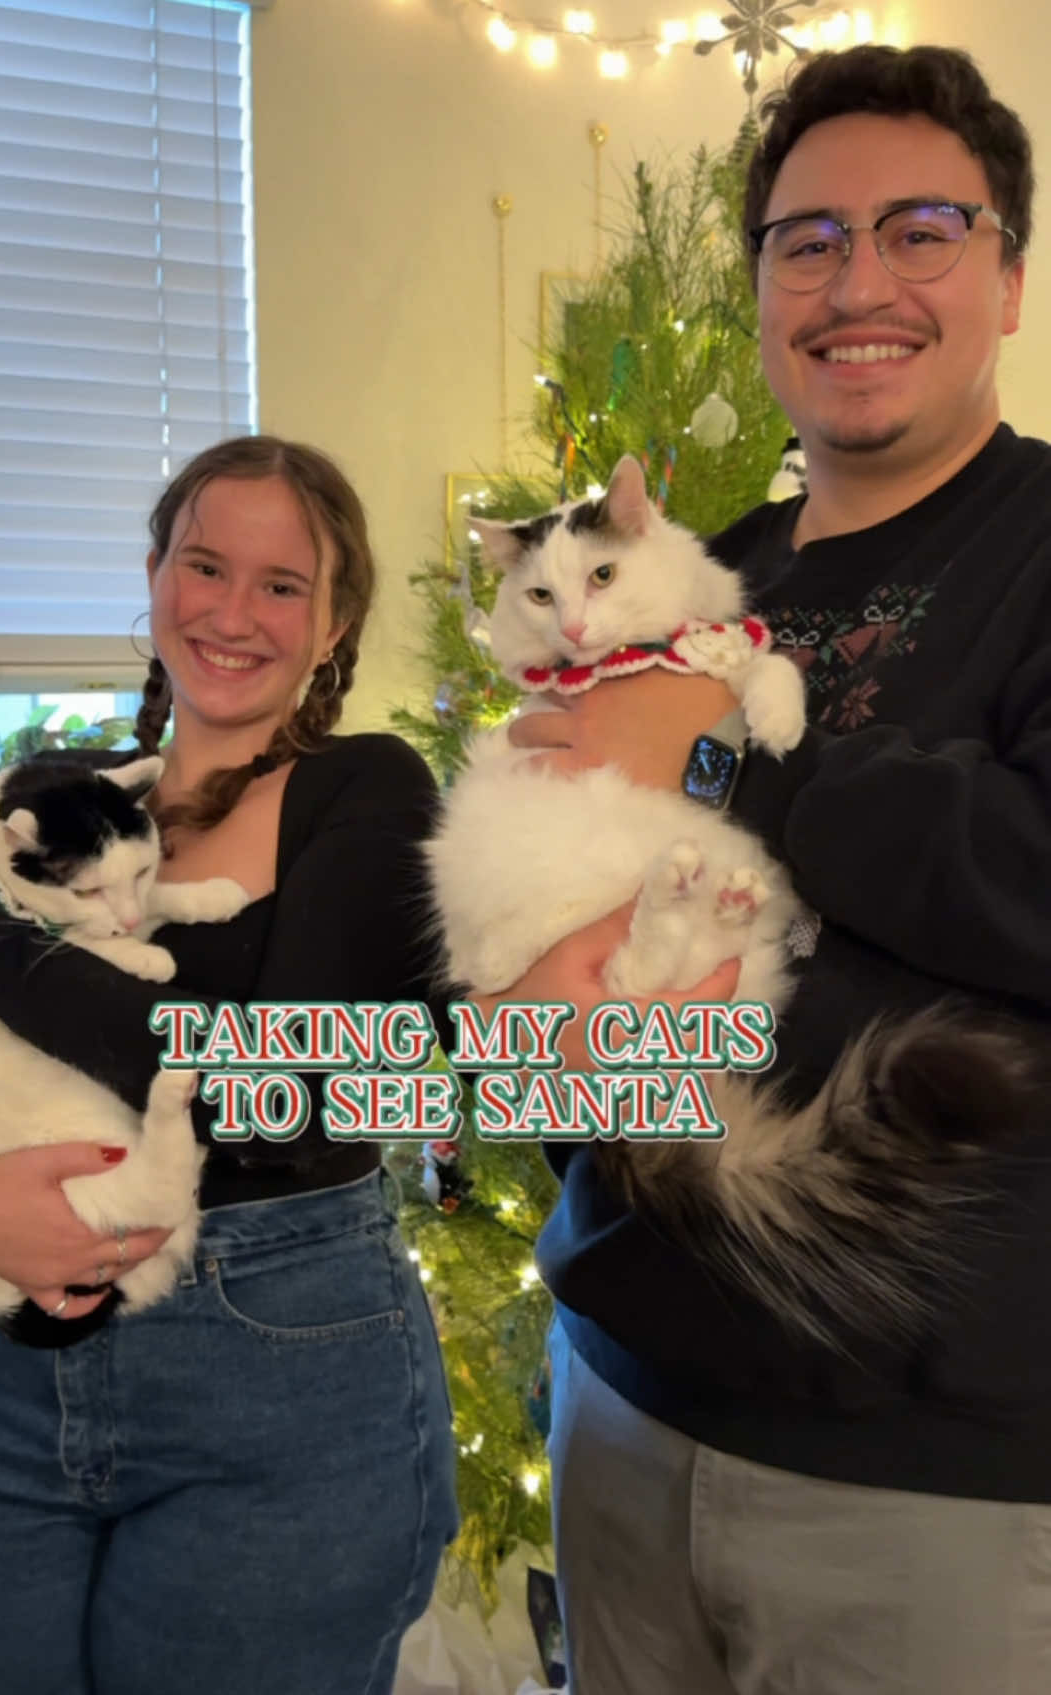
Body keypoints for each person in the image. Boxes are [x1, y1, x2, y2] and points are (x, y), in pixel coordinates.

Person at [503, 44, 1051, 1694]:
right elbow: (554, 867)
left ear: (1008, 278)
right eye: (806, 240)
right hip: (621, 1393)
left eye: (919, 229)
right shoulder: (700, 576)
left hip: (925, 1471)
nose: (855, 281)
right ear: (758, 288)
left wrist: (734, 744)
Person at [0, 436, 458, 1695]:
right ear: (153, 576)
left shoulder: (370, 792)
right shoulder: (62, 791)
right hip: (10, 1386)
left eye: (281, 585)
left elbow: (272, 1090)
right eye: (202, 564)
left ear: (334, 620)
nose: (231, 612)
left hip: (282, 1382)